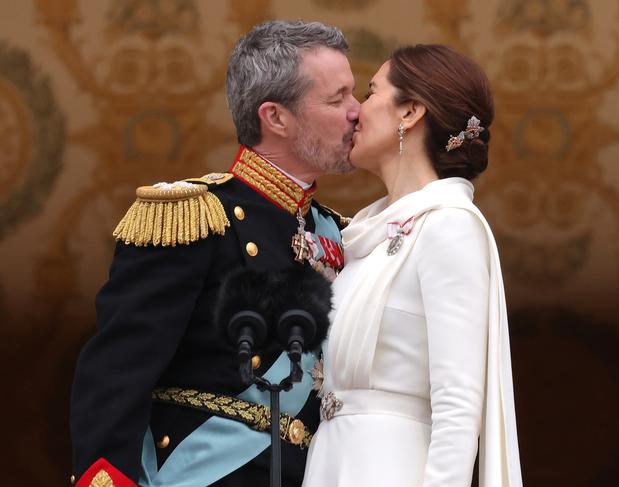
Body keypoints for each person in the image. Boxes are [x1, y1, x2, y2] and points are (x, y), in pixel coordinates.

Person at [69, 20, 360, 487]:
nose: (356, 112)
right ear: (276, 117)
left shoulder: (340, 232)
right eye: (337, 98)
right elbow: (116, 375)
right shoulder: (194, 218)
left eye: (355, 94)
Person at [302, 45, 523, 487]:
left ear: (410, 112)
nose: (355, 112)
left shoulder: (448, 227)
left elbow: (458, 406)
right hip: (329, 463)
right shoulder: (363, 235)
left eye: (369, 93)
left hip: (391, 467)